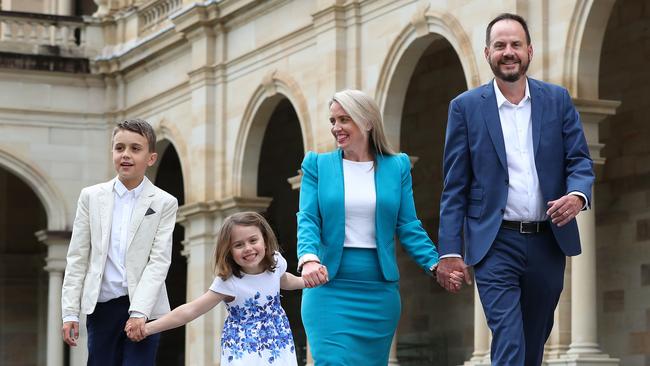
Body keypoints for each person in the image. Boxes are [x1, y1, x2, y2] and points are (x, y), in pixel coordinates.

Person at [436, 13, 595, 365]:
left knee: (533, 343)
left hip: (547, 242)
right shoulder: (465, 108)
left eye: (515, 45)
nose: (508, 52)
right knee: (509, 341)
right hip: (495, 243)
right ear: (487, 53)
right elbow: (455, 185)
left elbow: (580, 161)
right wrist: (449, 251)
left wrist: (577, 195)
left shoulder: (557, 99)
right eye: (500, 45)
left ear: (529, 51)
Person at [297, 89, 452, 365]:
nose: (336, 128)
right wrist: (308, 258)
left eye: (344, 119)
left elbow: (407, 224)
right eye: (333, 121)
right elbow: (308, 218)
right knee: (332, 361)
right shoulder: (317, 165)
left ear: (367, 122)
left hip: (378, 290)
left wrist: (434, 263)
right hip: (328, 285)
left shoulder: (397, 166)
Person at [126, 211, 316, 366]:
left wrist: (306, 281)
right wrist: (148, 328)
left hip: (278, 340)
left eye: (253, 240)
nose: (248, 248)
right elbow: (190, 310)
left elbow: (284, 281)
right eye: (238, 245)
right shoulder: (228, 282)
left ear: (265, 241)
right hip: (243, 347)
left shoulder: (275, 262)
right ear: (228, 251)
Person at [61, 119, 178, 365]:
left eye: (135, 149)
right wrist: (70, 312)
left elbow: (158, 261)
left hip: (145, 308)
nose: (126, 155)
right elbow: (77, 258)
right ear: (112, 151)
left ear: (151, 158)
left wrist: (139, 313)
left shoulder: (165, 202)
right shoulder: (90, 197)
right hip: (102, 308)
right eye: (119, 148)